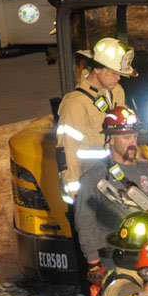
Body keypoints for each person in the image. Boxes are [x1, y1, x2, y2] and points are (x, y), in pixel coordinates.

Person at [74, 107, 148, 294]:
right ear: (110, 139)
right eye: (126, 138)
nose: (133, 143)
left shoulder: (147, 170)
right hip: (114, 261)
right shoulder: (94, 178)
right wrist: (93, 262)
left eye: (134, 137)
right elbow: (84, 222)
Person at [56, 37, 135, 206]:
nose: (118, 78)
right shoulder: (75, 103)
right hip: (91, 180)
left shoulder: (117, 92)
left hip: (116, 178)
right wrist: (76, 195)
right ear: (97, 69)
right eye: (113, 72)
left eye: (119, 73)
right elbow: (67, 149)